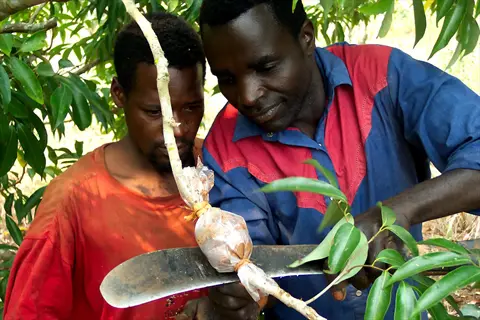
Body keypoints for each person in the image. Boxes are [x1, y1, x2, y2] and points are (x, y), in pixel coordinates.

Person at [198, 0, 480, 319]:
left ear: (306, 38)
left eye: (266, 67)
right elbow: (252, 267)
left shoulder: (383, 78)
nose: (248, 96)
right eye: (227, 79)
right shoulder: (224, 152)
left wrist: (396, 212)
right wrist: (245, 296)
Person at [4, 12, 208, 320]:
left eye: (191, 107)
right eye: (154, 112)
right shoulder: (72, 203)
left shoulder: (221, 170)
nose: (177, 129)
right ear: (118, 95)